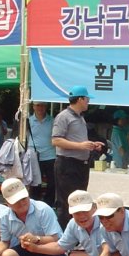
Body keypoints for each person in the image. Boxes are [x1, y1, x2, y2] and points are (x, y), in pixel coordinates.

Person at [51, 86, 103, 227]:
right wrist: (81, 146)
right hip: (67, 164)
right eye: (87, 99)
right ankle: (64, 237)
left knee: (80, 201)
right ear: (80, 99)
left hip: (81, 164)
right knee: (68, 202)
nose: (88, 102)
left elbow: (77, 140)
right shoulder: (63, 116)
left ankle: (76, 235)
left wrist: (91, 145)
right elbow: (56, 140)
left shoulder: (80, 117)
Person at [28, 101, 56, 205]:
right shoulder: (28, 121)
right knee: (35, 183)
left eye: (43, 105)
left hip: (50, 155)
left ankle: (49, 204)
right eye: (38, 105)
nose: (40, 108)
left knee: (53, 182)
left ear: (47, 106)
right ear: (33, 106)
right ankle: (34, 204)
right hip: (34, 156)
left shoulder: (53, 121)